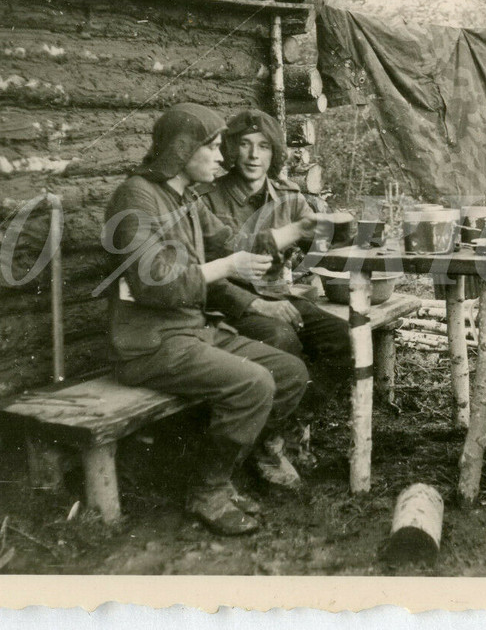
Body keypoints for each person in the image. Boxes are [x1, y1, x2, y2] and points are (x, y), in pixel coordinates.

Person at [102, 104, 316, 536]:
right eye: (215, 146)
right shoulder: (136, 197)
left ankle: (223, 469)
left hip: (190, 332)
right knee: (253, 383)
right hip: (148, 343)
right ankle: (207, 491)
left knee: (289, 373)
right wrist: (227, 267)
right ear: (183, 150)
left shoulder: (186, 199)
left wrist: (298, 228)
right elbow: (155, 284)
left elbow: (233, 242)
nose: (224, 157)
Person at [200, 109, 353, 473]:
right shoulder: (208, 200)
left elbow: (311, 250)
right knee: (283, 340)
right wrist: (255, 303)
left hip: (279, 297)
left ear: (275, 154)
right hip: (226, 306)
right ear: (231, 150)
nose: (254, 156)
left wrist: (336, 234)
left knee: (342, 340)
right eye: (245, 145)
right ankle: (264, 449)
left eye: (264, 147)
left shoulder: (290, 198)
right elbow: (208, 278)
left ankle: (283, 429)